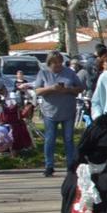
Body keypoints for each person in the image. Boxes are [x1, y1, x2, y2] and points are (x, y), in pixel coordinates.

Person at [34, 50, 83, 178]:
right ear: (49, 63)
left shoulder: (69, 73)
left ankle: (71, 165)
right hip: (50, 111)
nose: (58, 65)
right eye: (55, 63)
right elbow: (37, 90)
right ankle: (49, 166)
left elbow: (79, 88)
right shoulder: (43, 73)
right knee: (50, 139)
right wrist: (50, 89)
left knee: (68, 139)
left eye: (60, 62)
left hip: (68, 110)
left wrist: (68, 90)